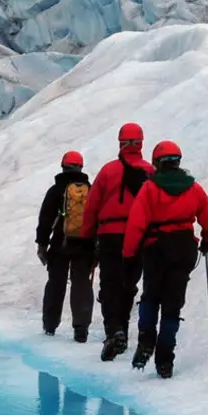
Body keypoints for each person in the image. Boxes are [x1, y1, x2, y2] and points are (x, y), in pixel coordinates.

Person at [121, 140, 208, 379]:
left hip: (156, 249)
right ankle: (165, 359)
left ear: (157, 162)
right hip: (184, 248)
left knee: (151, 297)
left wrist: (128, 254)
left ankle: (146, 340)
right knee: (173, 305)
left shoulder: (151, 188)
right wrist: (207, 239)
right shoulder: (193, 188)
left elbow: (136, 224)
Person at [83, 123, 153, 361]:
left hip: (110, 235)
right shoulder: (151, 172)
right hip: (140, 236)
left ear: (121, 143)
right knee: (129, 284)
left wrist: (87, 239)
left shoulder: (108, 171)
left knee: (110, 284)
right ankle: (121, 327)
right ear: (141, 143)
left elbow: (91, 208)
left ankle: (114, 331)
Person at [35, 150, 96, 341]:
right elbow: (97, 219)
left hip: (60, 244)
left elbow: (45, 220)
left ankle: (50, 325)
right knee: (81, 284)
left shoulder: (56, 190)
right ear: (80, 167)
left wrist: (42, 245)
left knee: (56, 283)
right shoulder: (90, 189)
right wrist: (96, 249)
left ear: (63, 167)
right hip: (85, 245)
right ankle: (81, 329)